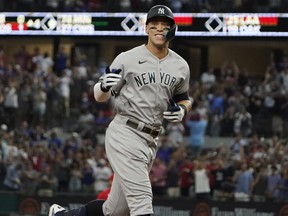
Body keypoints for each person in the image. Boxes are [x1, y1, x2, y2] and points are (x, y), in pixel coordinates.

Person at [49, 4, 192, 216]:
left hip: (151, 139)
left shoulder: (181, 66)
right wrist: (104, 85)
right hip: (125, 132)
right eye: (154, 25)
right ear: (146, 29)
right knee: (142, 202)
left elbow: (184, 99)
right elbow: (99, 95)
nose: (159, 29)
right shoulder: (127, 58)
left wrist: (182, 110)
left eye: (165, 25)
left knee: (115, 209)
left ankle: (61, 215)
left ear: (172, 29)